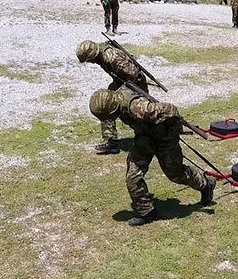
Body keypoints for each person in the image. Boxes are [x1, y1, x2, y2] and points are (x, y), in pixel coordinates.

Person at [89, 87, 216, 226]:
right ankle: (147, 212)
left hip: (164, 138)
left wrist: (173, 131)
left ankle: (206, 184)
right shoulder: (118, 102)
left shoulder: (138, 108)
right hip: (145, 137)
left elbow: (170, 109)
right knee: (133, 175)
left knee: (175, 174)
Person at [76, 40, 149, 155]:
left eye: (89, 60)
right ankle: (112, 142)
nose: (91, 63)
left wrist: (123, 94)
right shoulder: (100, 53)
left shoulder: (111, 57)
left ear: (93, 56)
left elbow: (132, 74)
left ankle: (147, 139)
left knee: (136, 113)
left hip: (133, 84)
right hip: (121, 82)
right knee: (104, 104)